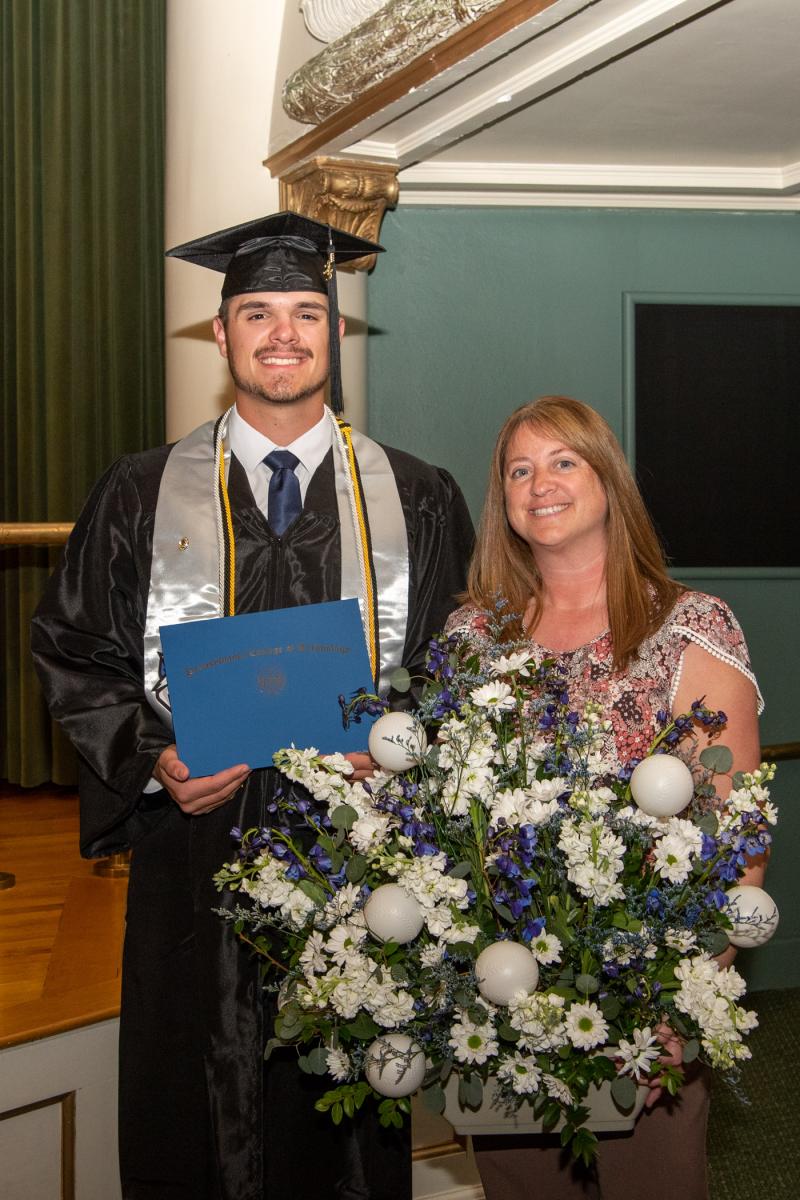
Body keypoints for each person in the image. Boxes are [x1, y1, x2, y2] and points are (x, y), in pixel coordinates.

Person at [31, 211, 474, 1200]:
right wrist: (152, 755)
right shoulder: (140, 494)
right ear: (223, 333)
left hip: (357, 855)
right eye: (258, 312)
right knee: (192, 1087)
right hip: (195, 850)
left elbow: (457, 666)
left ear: (334, 333)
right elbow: (70, 646)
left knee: (344, 1097)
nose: (283, 333)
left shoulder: (418, 496)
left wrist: (399, 749)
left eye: (306, 312)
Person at [445, 395, 766, 1200]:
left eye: (563, 462)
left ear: (608, 482)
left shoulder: (689, 629)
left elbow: (742, 839)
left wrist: (688, 1001)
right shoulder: (472, 639)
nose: (539, 483)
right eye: (519, 469)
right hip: (504, 1004)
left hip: (643, 1004)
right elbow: (443, 820)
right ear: (504, 502)